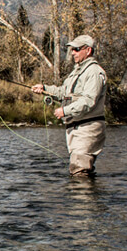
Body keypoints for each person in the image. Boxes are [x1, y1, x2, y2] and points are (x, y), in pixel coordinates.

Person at [31, 34, 108, 176]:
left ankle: (85, 197)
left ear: (88, 50)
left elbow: (89, 101)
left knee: (80, 170)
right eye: (72, 49)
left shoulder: (94, 72)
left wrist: (65, 111)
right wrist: (45, 89)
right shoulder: (77, 71)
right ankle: (86, 196)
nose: (73, 52)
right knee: (80, 170)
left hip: (88, 128)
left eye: (77, 49)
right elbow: (63, 92)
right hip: (77, 128)